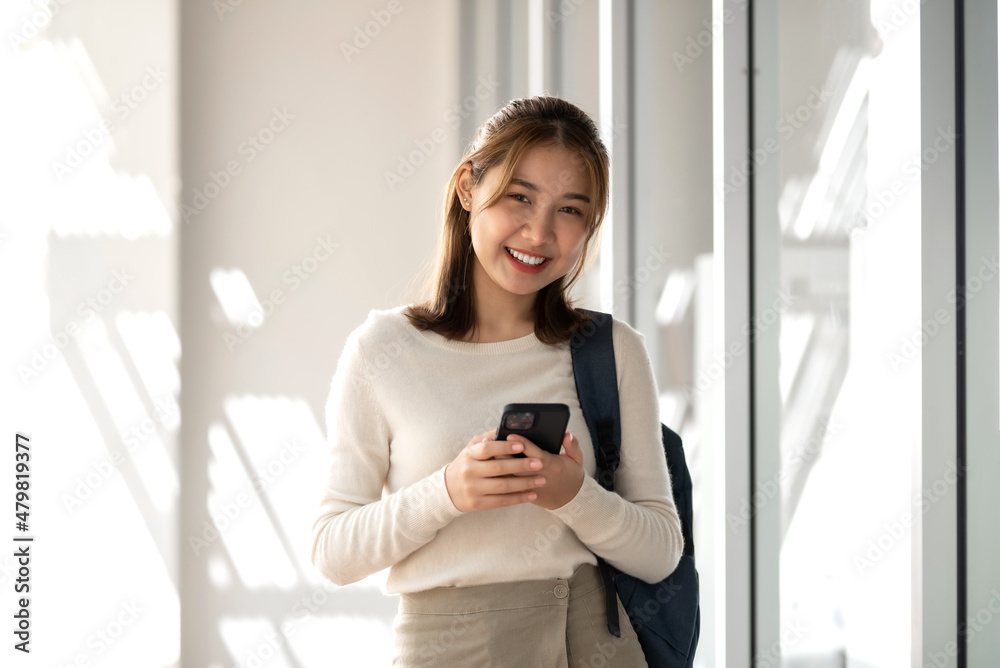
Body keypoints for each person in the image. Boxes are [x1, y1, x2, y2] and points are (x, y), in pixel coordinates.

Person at [311, 95, 684, 667]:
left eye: (570, 210)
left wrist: (573, 495)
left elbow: (661, 551)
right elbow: (332, 551)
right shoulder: (383, 351)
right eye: (520, 197)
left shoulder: (612, 351)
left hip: (594, 643)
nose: (539, 233)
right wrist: (448, 493)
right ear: (467, 188)